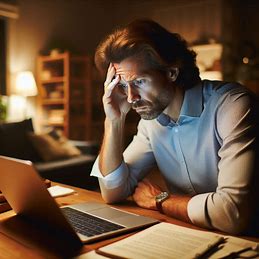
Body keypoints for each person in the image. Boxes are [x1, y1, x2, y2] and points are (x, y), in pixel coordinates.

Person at [91, 19, 259, 235]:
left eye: (139, 81)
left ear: (171, 72)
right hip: (191, 234)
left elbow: (232, 214)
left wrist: (161, 200)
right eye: (123, 86)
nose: (131, 98)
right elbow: (113, 192)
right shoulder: (150, 123)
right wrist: (113, 120)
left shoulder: (232, 105)